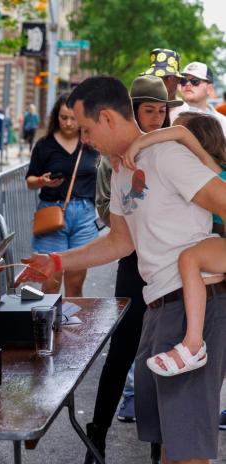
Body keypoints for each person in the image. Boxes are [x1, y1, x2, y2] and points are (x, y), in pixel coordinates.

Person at [17, 76, 226, 464]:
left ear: (109, 118)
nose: (84, 139)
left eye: (87, 129)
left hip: (193, 304)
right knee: (168, 445)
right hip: (160, 306)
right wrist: (57, 261)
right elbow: (119, 241)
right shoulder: (120, 169)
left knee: (187, 452)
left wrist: (214, 261)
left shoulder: (165, 156)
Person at [91, 75, 182, 451]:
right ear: (134, 112)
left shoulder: (174, 150)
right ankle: (95, 438)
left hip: (169, 268)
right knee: (123, 352)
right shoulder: (110, 160)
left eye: (163, 111)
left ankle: (159, 448)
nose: (159, 118)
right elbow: (106, 214)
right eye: (151, 111)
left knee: (164, 355)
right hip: (132, 265)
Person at [121, 112, 226, 378]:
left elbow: (179, 133)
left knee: (188, 259)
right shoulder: (204, 168)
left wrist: (139, 143)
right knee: (190, 258)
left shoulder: (208, 167)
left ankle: (192, 345)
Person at [25, 93, 99, 295]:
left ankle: (73, 326)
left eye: (73, 118)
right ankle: (48, 326)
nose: (68, 123)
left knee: (75, 282)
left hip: (84, 215)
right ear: (55, 117)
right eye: (63, 117)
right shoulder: (45, 145)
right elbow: (30, 181)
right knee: (50, 281)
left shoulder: (92, 145)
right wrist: (42, 181)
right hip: (52, 213)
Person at [141, 48, 188, 123]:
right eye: (155, 77)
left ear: (178, 79)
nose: (160, 82)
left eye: (167, 77)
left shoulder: (187, 114)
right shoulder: (138, 112)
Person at [180, 61, 226, 134]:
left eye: (195, 81)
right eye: (183, 80)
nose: (188, 84)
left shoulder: (222, 122)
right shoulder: (166, 115)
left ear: (209, 89)